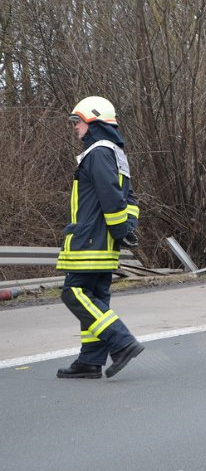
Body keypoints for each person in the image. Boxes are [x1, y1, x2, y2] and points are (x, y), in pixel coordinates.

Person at [55, 96, 144, 379]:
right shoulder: (114, 154)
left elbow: (110, 196)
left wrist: (121, 230)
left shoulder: (98, 152)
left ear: (95, 122)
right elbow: (128, 198)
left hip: (90, 239)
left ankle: (121, 341)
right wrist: (126, 229)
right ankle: (90, 361)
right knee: (95, 297)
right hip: (103, 241)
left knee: (74, 293)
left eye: (78, 121)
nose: (75, 127)